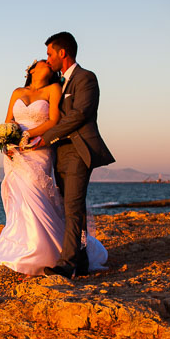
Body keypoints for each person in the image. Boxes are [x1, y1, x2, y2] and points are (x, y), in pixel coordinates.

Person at [38, 32, 115, 278]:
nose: (47, 59)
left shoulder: (86, 79)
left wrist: (47, 136)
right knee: (72, 208)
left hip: (78, 151)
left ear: (63, 53)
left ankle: (66, 263)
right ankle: (80, 260)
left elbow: (79, 114)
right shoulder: (58, 84)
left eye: (50, 53)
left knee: (72, 207)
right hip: (59, 154)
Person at [0, 60, 68, 275]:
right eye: (44, 63)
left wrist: (28, 135)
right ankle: (21, 249)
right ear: (32, 69)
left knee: (36, 194)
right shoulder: (17, 92)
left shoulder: (53, 89)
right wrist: (6, 140)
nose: (48, 65)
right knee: (19, 198)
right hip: (15, 151)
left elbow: (54, 120)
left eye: (50, 65)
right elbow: (9, 121)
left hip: (38, 148)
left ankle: (47, 252)